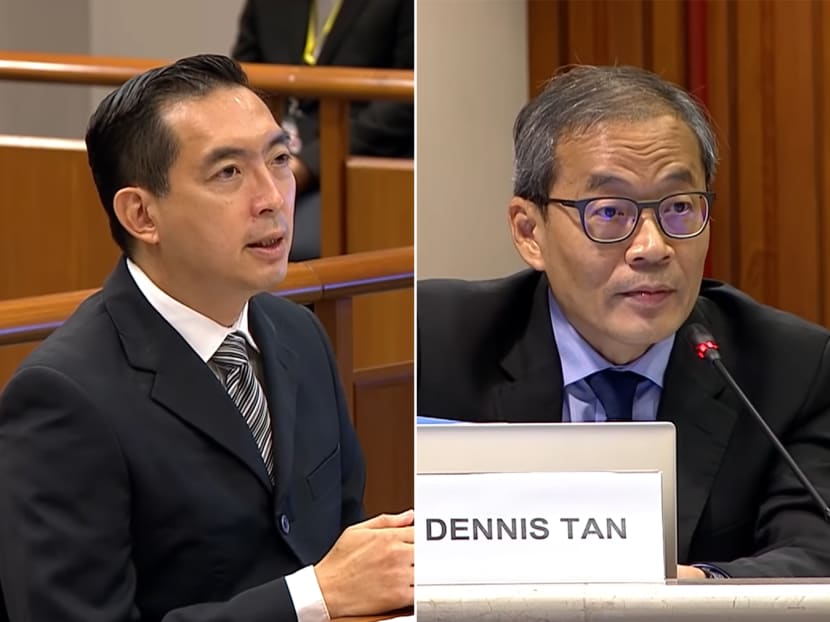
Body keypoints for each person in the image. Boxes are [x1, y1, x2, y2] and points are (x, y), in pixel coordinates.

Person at [0, 54, 413, 621]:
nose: (273, 197)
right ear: (142, 215)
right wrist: (310, 597)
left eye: (279, 159)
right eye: (228, 173)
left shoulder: (299, 332)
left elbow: (345, 545)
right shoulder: (63, 397)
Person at [417, 65, 830, 578]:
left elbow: (816, 554)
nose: (653, 247)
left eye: (679, 207)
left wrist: (686, 590)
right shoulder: (434, 342)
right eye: (610, 212)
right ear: (529, 232)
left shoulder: (794, 369)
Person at [232, 0, 414, 261]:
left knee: (287, 243)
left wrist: (307, 163)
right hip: (266, 156)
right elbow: (240, 83)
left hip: (355, 163)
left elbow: (403, 105)